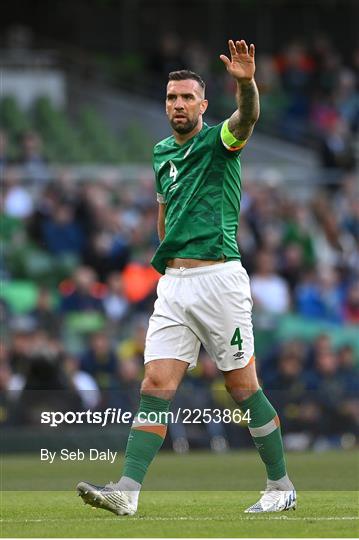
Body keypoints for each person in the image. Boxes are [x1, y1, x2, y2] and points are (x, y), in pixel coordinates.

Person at [77, 39, 296, 515]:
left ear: (203, 104)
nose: (178, 104)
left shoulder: (219, 142)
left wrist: (246, 84)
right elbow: (164, 215)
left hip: (219, 278)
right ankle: (127, 492)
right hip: (174, 285)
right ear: (166, 104)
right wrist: (165, 255)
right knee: (156, 382)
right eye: (172, 97)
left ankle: (280, 486)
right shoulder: (160, 154)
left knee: (242, 387)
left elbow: (248, 118)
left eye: (186, 97)